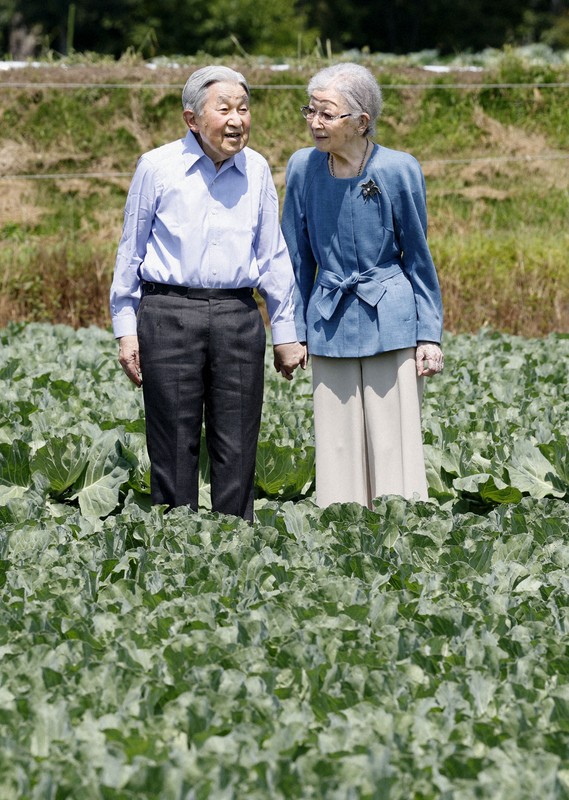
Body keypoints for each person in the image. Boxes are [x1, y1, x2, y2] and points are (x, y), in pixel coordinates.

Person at [110, 65, 306, 522]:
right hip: (168, 311)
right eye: (224, 109)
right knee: (173, 441)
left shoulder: (256, 168)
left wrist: (286, 331)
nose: (237, 119)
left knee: (237, 441)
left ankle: (233, 544)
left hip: (238, 315)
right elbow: (130, 250)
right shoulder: (156, 167)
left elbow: (272, 253)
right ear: (192, 119)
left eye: (243, 108)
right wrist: (126, 329)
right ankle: (176, 547)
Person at [282, 62, 443, 508]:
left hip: (390, 314)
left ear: (361, 122)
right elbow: (295, 258)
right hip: (328, 317)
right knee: (336, 440)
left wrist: (428, 334)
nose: (314, 123)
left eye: (326, 114)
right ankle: (342, 529)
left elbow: (418, 256)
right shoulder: (302, 169)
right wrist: (290, 331)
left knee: (394, 438)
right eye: (309, 111)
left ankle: (402, 526)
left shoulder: (398, 169)